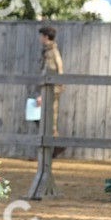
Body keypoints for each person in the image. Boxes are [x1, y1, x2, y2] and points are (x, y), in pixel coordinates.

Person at [37, 24, 65, 156]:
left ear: (46, 37)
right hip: (52, 89)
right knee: (47, 118)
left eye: (41, 36)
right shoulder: (50, 51)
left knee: (48, 119)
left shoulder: (50, 53)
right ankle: (53, 147)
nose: (39, 38)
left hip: (51, 90)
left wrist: (43, 94)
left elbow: (50, 73)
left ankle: (53, 147)